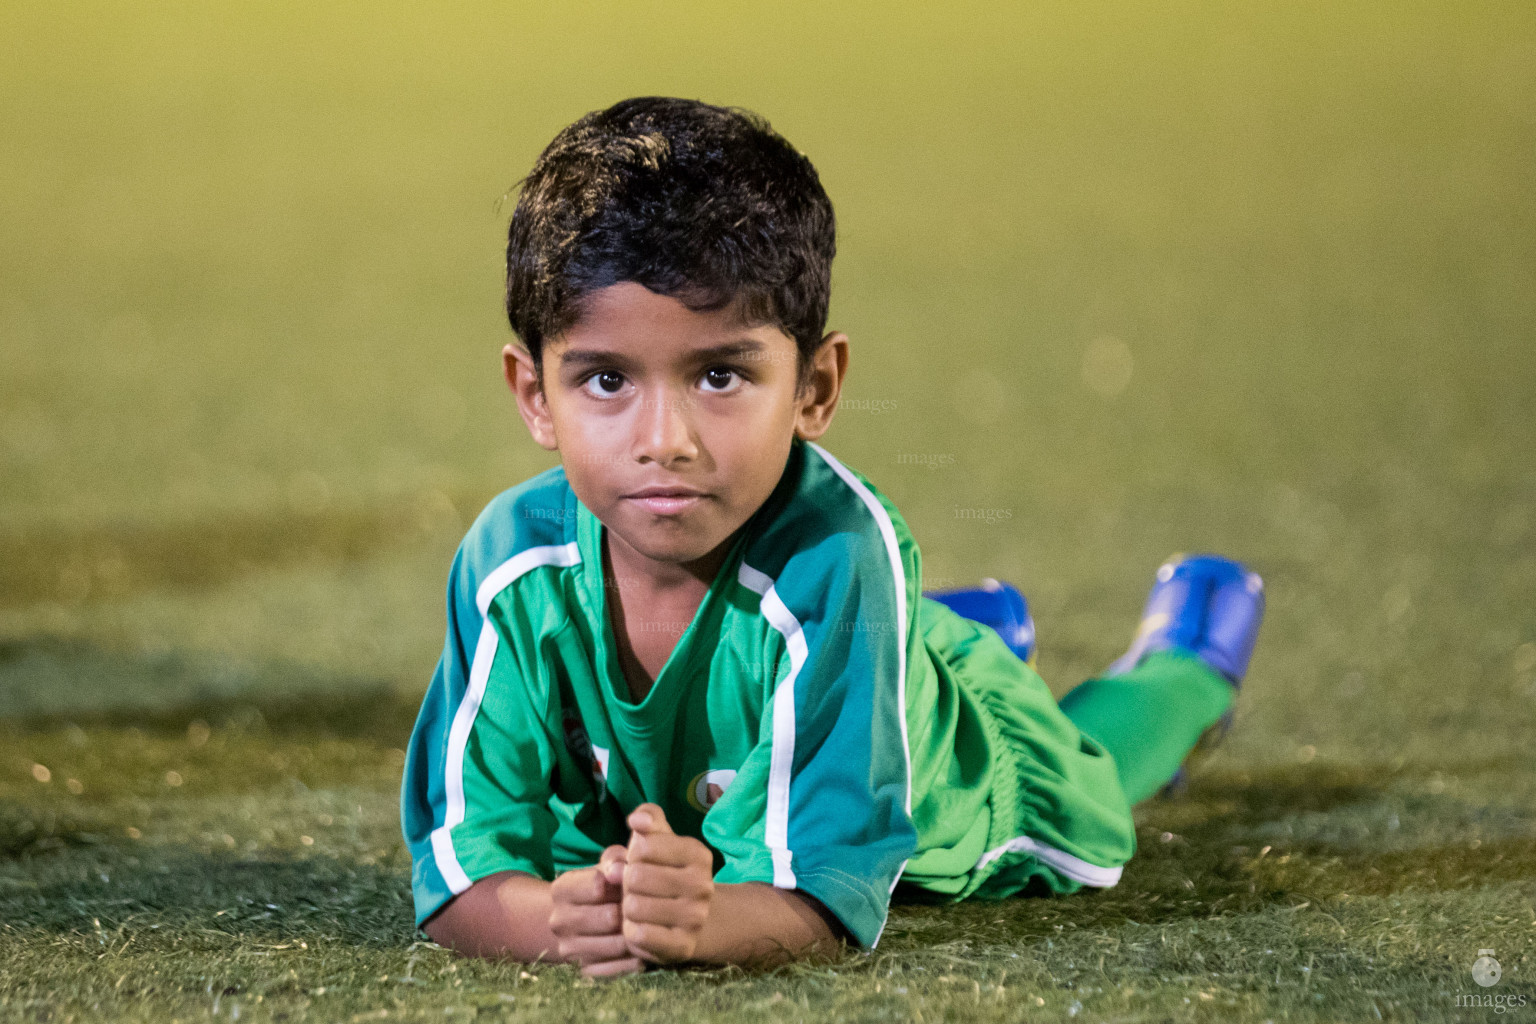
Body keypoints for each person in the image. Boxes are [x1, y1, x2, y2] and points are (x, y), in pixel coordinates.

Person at [399, 96, 1264, 977]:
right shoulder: (509, 563)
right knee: (851, 641)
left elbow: (821, 895)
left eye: (721, 374)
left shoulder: (838, 558)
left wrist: (691, 928)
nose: (663, 438)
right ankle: (926, 643)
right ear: (535, 393)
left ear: (815, 386)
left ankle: (1186, 663)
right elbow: (460, 866)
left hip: (939, 764)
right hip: (835, 639)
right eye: (608, 378)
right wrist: (558, 921)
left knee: (1093, 783)